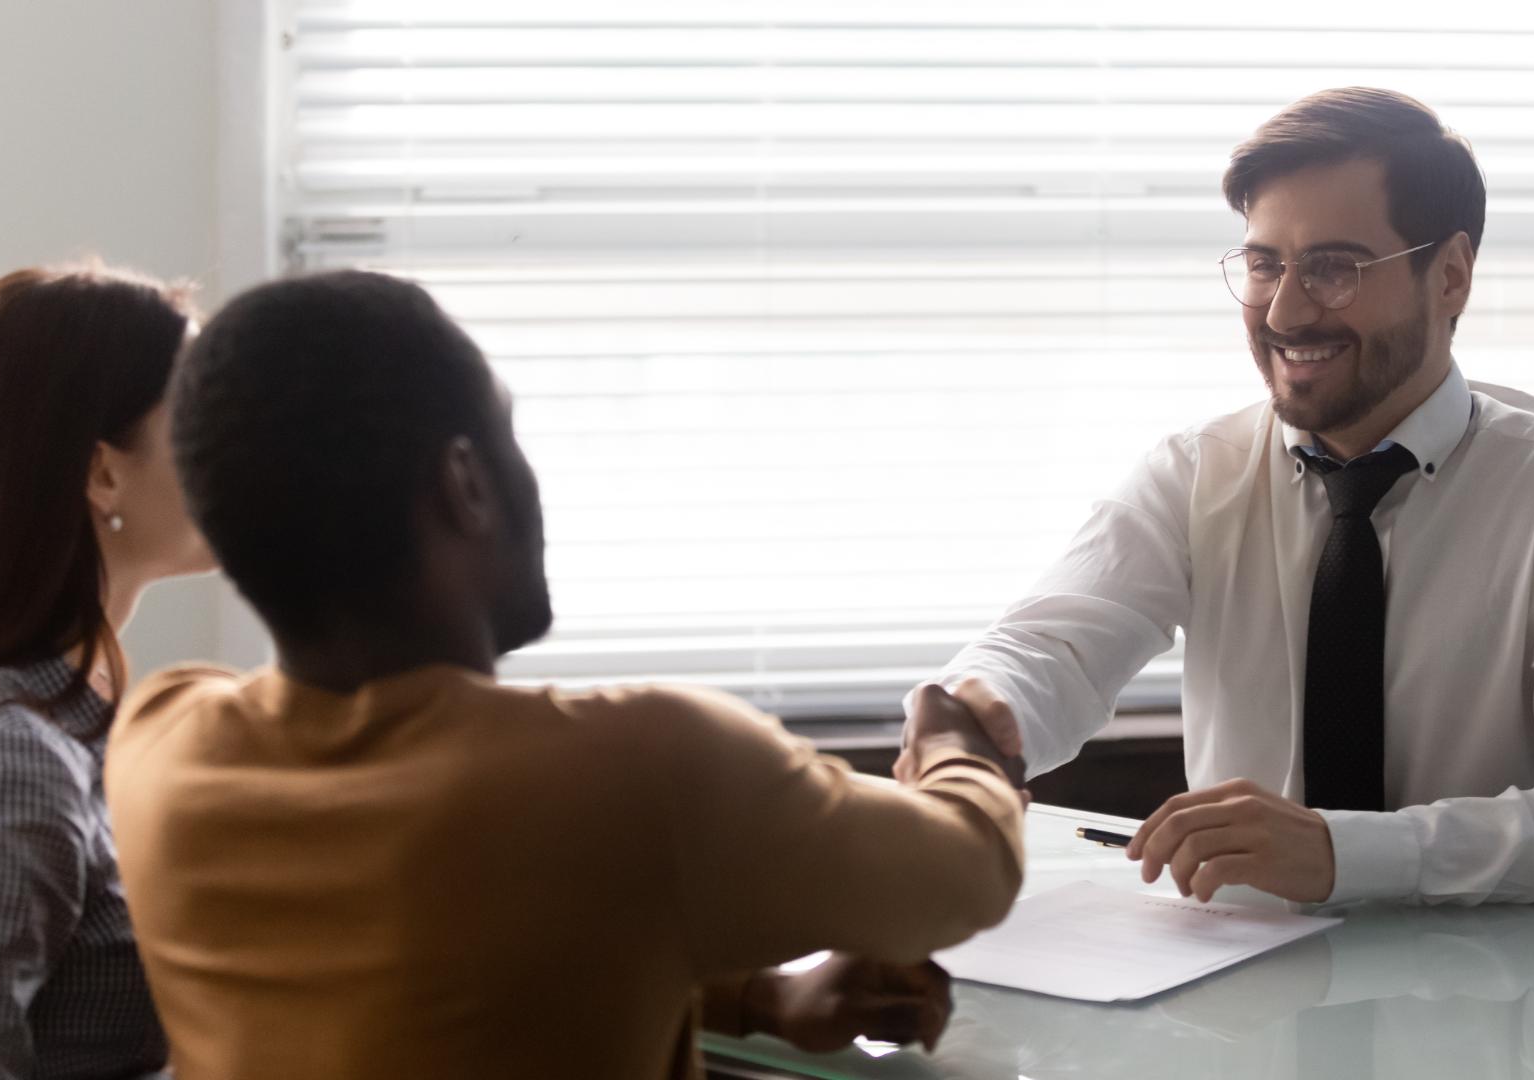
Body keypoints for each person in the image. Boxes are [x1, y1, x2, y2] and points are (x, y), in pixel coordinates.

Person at [104, 270, 1028, 1080]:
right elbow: (966, 872)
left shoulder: (162, 743)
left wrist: (757, 1001)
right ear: (465, 483)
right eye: (511, 432)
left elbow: (424, 954)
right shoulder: (640, 770)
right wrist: (956, 747)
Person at [899, 87, 1534, 907]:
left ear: (1453, 275)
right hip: (1237, 990)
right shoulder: (1198, 470)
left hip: (1499, 998)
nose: (1284, 311)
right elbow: (1053, 647)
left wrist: (1346, 854)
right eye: (1264, 264)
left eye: (1333, 269)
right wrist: (981, 718)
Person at [0, 264, 212, 1078]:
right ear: (102, 473)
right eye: (197, 416)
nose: (232, 447)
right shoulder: (8, 759)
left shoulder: (94, 726)